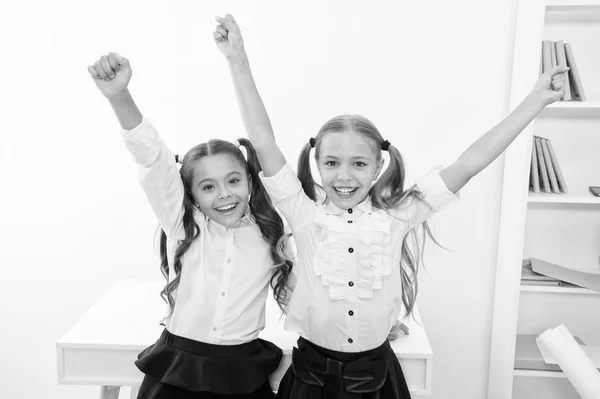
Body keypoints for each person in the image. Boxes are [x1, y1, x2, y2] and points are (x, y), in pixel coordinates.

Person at [214, 14, 568, 398]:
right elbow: (263, 140)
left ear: (378, 165)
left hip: (377, 377)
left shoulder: (399, 214)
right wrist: (238, 60)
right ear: (317, 163)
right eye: (332, 163)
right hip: (311, 377)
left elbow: (469, 163)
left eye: (358, 164)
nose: (344, 176)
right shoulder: (303, 212)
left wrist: (535, 102)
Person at [88, 51, 295, 399]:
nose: (224, 195)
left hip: (242, 372)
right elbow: (152, 157)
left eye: (233, 181)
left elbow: (306, 286)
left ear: (249, 180)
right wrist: (119, 96)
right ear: (192, 195)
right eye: (208, 186)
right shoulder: (182, 224)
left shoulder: (271, 234)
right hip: (177, 370)